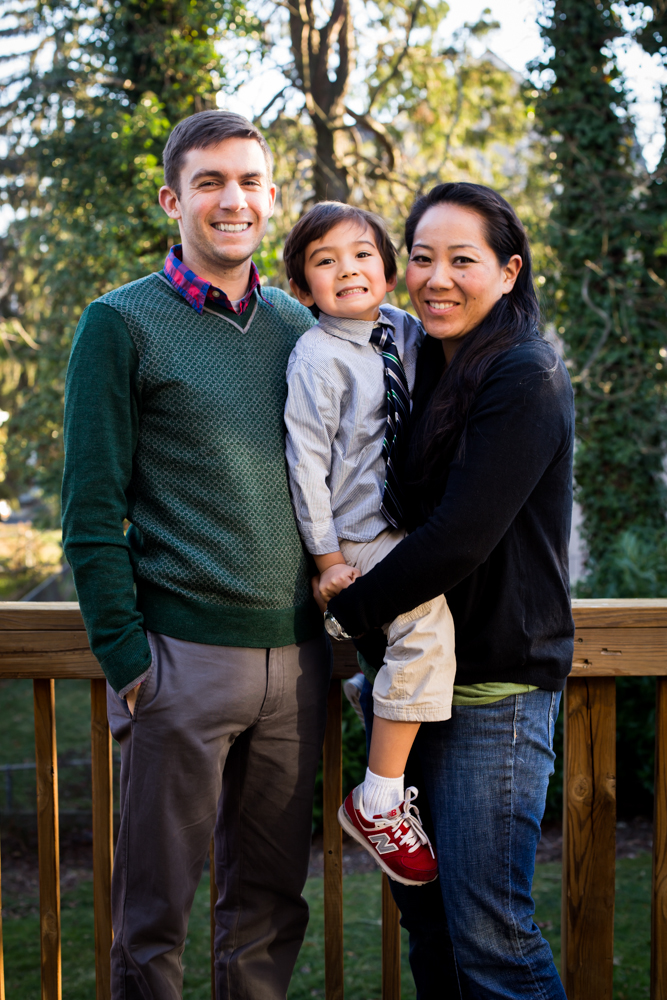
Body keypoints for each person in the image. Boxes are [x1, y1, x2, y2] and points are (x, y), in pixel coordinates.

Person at [61, 110, 330, 1000]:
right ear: (174, 198)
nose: (232, 199)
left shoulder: (303, 326)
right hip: (179, 663)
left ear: (271, 198)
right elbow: (90, 512)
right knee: (154, 919)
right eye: (210, 181)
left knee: (268, 910)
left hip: (298, 664)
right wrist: (130, 663)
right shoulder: (120, 323)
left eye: (250, 180)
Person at [327, 182, 574, 999]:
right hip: (414, 696)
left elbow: (456, 540)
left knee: (492, 940)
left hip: (491, 698)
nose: (437, 277)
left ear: (508, 272)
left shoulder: (523, 374)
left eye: (461, 260)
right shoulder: (424, 361)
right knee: (431, 936)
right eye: (423, 258)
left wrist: (347, 612)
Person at [283, 202, 456, 887]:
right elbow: (304, 462)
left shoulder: (412, 334)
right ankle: (377, 799)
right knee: (426, 628)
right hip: (360, 533)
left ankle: (369, 688)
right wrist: (327, 561)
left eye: (360, 255)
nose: (346, 269)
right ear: (303, 290)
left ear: (388, 271)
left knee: (431, 616)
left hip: (408, 524)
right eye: (324, 262)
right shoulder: (315, 357)